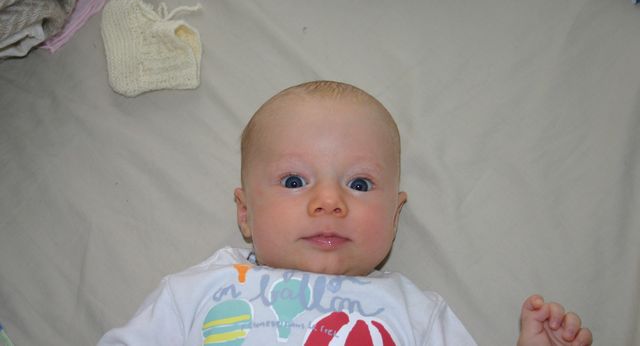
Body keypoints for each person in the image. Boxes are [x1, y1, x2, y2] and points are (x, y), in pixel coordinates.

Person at [98, 80, 592, 345]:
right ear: (245, 213)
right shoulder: (196, 291)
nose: (329, 202)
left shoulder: (416, 313)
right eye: (295, 181)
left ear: (394, 216)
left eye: (359, 184)